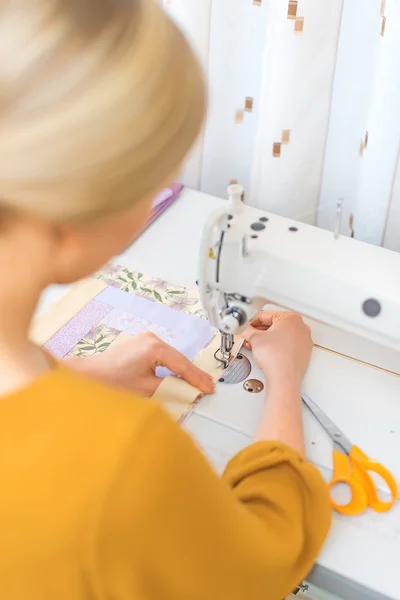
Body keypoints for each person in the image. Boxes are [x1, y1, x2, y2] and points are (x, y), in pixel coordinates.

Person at [0, 1, 331, 599]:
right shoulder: (124, 459)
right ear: (77, 208)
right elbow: (258, 563)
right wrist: (285, 382)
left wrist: (72, 377)